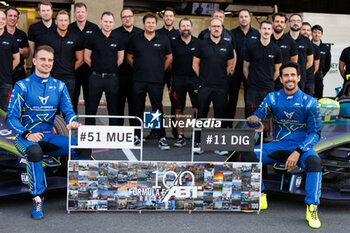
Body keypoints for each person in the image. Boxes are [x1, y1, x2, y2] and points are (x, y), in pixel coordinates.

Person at [7, 45, 90, 220]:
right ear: (35, 61)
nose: (47, 63)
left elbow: (68, 110)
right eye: (43, 59)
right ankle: (38, 198)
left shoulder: (59, 86)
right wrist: (27, 133)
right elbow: (12, 118)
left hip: (49, 136)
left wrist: (72, 122)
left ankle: (79, 192)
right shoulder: (22, 86)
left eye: (50, 60)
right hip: (26, 139)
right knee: (35, 151)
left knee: (83, 146)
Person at [247, 61, 322, 229]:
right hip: (278, 145)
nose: (290, 78)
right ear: (281, 78)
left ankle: (312, 208)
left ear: (299, 77)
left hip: (302, 147)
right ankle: (260, 196)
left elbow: (315, 134)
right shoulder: (272, 97)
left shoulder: (310, 102)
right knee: (248, 153)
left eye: (293, 75)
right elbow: (258, 116)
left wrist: (297, 151)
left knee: (314, 162)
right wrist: (253, 120)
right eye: (286, 75)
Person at [127, 13, 172, 150]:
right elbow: (129, 57)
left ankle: (161, 137)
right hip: (138, 80)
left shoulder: (163, 39)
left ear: (156, 24)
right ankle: (136, 136)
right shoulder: (135, 39)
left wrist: (159, 70)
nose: (151, 25)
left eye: (153, 23)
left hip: (156, 81)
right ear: (143, 24)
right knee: (137, 108)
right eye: (148, 23)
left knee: (156, 110)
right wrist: (138, 69)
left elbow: (169, 58)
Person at [192, 18, 234, 155]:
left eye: (219, 26)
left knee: (220, 116)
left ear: (222, 28)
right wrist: (203, 78)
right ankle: (198, 143)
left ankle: (219, 144)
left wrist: (221, 77)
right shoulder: (201, 44)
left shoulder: (227, 45)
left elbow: (230, 65)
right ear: (209, 28)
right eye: (214, 26)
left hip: (221, 87)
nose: (216, 29)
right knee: (201, 116)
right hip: (204, 87)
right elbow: (195, 64)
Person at [84, 11, 124, 126]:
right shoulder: (93, 37)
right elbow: (87, 57)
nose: (108, 24)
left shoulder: (118, 37)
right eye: (106, 21)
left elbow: (120, 59)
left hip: (112, 79)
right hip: (95, 78)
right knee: (91, 108)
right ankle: (89, 134)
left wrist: (110, 68)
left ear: (113, 23)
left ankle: (113, 136)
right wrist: (98, 68)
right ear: (101, 21)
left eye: (110, 22)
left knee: (113, 109)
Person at [170, 17, 200, 147]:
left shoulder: (199, 43)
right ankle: (180, 136)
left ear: (191, 28)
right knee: (178, 108)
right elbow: (169, 60)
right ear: (179, 28)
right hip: (178, 80)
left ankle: (197, 137)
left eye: (188, 25)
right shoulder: (173, 42)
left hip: (195, 80)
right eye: (183, 26)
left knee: (198, 109)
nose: (186, 28)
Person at [243, 20, 282, 116]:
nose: (266, 31)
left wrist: (268, 80)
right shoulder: (252, 47)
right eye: (264, 28)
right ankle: (253, 132)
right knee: (252, 115)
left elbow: (278, 70)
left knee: (268, 116)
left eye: (269, 29)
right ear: (259, 30)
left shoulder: (276, 49)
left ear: (272, 31)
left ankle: (266, 132)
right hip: (253, 89)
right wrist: (253, 80)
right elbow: (245, 68)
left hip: (268, 88)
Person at [153, 7, 180, 140]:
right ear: (163, 18)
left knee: (175, 103)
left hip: (174, 74)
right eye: (166, 16)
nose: (168, 18)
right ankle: (155, 130)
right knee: (156, 102)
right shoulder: (156, 33)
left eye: (171, 16)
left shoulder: (178, 34)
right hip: (158, 72)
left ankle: (175, 131)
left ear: (174, 18)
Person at [45, 10, 84, 99]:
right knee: (52, 107)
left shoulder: (75, 37)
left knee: (67, 107)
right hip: (52, 77)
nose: (63, 23)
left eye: (65, 20)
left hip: (69, 78)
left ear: (69, 22)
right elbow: (44, 57)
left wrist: (69, 69)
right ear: (56, 22)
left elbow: (80, 59)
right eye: (61, 20)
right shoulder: (48, 37)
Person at [113, 8, 142, 126]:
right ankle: (119, 132)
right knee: (118, 105)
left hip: (137, 76)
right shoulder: (115, 34)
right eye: (124, 17)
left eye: (129, 16)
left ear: (133, 18)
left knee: (135, 105)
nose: (127, 19)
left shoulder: (141, 33)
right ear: (121, 19)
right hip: (119, 75)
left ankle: (135, 132)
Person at [69, 2, 99, 114]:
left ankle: (88, 126)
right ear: (74, 14)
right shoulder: (70, 28)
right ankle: (73, 124)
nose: (80, 14)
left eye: (82, 12)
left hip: (89, 70)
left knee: (90, 99)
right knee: (73, 99)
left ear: (86, 13)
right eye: (78, 12)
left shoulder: (94, 28)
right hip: (74, 69)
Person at [229, 9, 260, 119]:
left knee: (249, 99)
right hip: (235, 70)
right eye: (241, 17)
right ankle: (228, 124)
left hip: (251, 71)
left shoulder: (257, 33)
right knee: (232, 98)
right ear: (238, 19)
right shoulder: (232, 33)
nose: (243, 19)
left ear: (250, 18)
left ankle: (249, 124)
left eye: (246, 16)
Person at [271, 12, 298, 90]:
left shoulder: (291, 42)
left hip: (283, 81)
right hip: (266, 80)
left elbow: (293, 63)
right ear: (272, 23)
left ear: (285, 25)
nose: (279, 24)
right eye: (277, 21)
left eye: (282, 22)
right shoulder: (266, 39)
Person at [287, 14, 313, 91]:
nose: (295, 23)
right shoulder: (284, 38)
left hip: (300, 78)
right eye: (293, 21)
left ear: (301, 24)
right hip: (284, 78)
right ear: (289, 23)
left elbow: (310, 62)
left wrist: (299, 70)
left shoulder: (306, 41)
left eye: (298, 21)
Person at [0, 10, 20, 111]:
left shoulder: (11, 39)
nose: (1, 21)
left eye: (3, 19)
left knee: (5, 110)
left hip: (5, 82)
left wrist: (7, 69)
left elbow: (17, 59)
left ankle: (4, 127)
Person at [5, 7, 30, 85]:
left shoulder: (22, 34)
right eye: (10, 15)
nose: (13, 18)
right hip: (3, 72)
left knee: (19, 96)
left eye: (15, 16)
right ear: (5, 17)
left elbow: (27, 54)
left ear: (17, 18)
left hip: (19, 73)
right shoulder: (1, 33)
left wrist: (17, 50)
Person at [311, 25, 331, 99]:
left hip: (319, 77)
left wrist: (321, 74)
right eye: (315, 32)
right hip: (307, 77)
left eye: (319, 32)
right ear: (311, 33)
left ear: (321, 35)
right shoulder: (307, 46)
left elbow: (327, 64)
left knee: (318, 98)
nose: (316, 34)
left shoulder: (326, 48)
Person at [301, 22, 320, 96]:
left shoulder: (315, 47)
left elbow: (316, 66)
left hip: (309, 80)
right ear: (300, 30)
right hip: (296, 79)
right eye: (303, 29)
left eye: (308, 30)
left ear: (311, 33)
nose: (306, 32)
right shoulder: (294, 44)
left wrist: (308, 73)